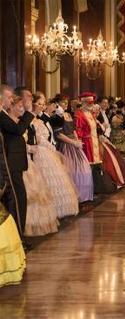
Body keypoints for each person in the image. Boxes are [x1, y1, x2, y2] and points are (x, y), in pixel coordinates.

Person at [14, 96, 59, 236]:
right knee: (27, 195)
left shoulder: (29, 122)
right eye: (20, 107)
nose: (22, 110)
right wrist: (29, 148)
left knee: (36, 195)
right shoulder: (17, 124)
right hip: (22, 160)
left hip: (28, 160)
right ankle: (23, 227)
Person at [0, 85, 35, 237]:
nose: (11, 100)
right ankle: (18, 237)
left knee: (18, 199)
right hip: (9, 164)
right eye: (9, 97)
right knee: (16, 200)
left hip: (14, 163)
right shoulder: (1, 116)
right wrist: (28, 112)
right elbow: (18, 130)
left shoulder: (3, 115)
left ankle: (18, 236)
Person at [52, 96, 94, 202]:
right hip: (65, 145)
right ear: (57, 103)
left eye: (66, 103)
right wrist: (74, 142)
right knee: (71, 171)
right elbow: (59, 135)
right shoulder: (56, 117)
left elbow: (74, 129)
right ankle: (74, 197)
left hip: (75, 145)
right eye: (63, 103)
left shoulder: (68, 114)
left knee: (85, 169)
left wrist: (77, 139)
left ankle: (83, 195)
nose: (65, 105)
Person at [93, 104, 125, 187]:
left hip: (101, 140)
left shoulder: (97, 121)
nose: (97, 113)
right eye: (95, 111)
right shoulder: (93, 121)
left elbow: (102, 133)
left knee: (114, 155)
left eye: (98, 111)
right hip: (96, 142)